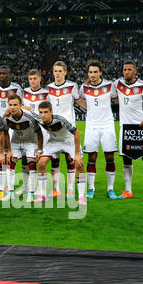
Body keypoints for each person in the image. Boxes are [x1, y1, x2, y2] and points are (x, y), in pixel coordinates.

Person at [114, 59, 143, 202]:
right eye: (124, 69)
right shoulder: (118, 84)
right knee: (126, 159)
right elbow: (113, 97)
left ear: (135, 71)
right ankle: (128, 191)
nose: (126, 72)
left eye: (129, 69)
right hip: (125, 128)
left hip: (140, 128)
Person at [33, 101, 86, 206]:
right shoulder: (38, 118)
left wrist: (77, 154)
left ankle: (81, 196)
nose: (43, 115)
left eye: (46, 112)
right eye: (41, 112)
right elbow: (27, 109)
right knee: (41, 163)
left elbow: (76, 133)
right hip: (54, 141)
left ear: (51, 112)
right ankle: (42, 195)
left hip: (68, 141)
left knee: (79, 164)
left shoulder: (61, 119)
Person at [79, 60, 118, 199]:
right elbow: (78, 99)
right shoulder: (84, 87)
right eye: (90, 72)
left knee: (110, 156)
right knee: (91, 157)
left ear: (101, 72)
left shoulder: (109, 85)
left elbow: (116, 100)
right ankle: (91, 189)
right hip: (91, 125)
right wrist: (89, 108)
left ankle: (110, 189)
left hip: (107, 124)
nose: (93, 75)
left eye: (95, 72)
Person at [47, 60, 85, 198]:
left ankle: (70, 188)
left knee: (70, 159)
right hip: (54, 130)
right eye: (55, 71)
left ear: (65, 72)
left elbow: (79, 101)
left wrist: (91, 110)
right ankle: (56, 188)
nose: (57, 74)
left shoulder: (72, 86)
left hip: (69, 129)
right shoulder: (49, 88)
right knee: (54, 160)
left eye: (59, 71)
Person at [0, 65, 23, 192]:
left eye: (4, 73)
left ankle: (7, 185)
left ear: (9, 74)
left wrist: (10, 111)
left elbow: (20, 105)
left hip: (10, 124)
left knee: (8, 155)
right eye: (0, 73)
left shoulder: (16, 88)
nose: (2, 76)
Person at [2, 94, 43, 202]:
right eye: (10, 105)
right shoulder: (6, 117)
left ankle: (31, 193)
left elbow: (39, 133)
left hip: (30, 141)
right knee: (10, 163)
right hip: (15, 141)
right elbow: (5, 132)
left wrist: (39, 149)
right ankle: (10, 192)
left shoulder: (29, 116)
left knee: (32, 164)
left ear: (20, 105)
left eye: (15, 105)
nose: (12, 107)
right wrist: (9, 150)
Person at [21, 68, 49, 195]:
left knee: (40, 158)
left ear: (40, 79)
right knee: (25, 157)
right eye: (30, 79)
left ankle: (40, 187)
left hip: (42, 129)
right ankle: (26, 186)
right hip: (27, 128)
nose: (32, 81)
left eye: (35, 78)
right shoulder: (24, 92)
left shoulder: (46, 93)